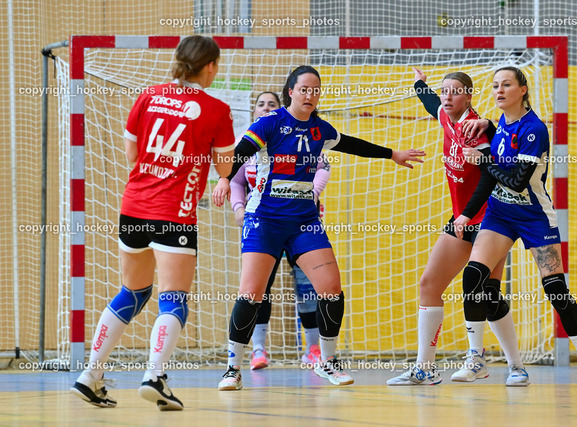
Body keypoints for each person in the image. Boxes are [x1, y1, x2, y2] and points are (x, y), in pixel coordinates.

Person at [212, 65, 425, 389]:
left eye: (315, 90)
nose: (310, 95)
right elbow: (240, 153)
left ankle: (327, 362)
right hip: (265, 220)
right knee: (251, 294)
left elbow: (351, 144)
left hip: (304, 222)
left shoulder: (319, 129)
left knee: (331, 289)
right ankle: (233, 368)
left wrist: (392, 153)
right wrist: (225, 179)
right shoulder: (269, 123)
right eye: (304, 89)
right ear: (291, 92)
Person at [70, 35, 235, 410]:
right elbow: (225, 167)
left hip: (133, 207)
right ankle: (154, 377)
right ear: (210, 66)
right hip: (173, 213)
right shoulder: (216, 109)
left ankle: (90, 376)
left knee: (132, 292)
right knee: (173, 298)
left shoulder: (147, 96)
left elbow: (132, 154)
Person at [459, 66, 577, 387]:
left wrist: (482, 160)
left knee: (556, 290)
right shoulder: (501, 122)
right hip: (499, 215)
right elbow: (503, 145)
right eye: (495, 86)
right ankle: (480, 359)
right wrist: (488, 126)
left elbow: (516, 181)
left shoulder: (535, 130)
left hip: (534, 216)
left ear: (523, 90)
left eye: (506, 85)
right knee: (474, 278)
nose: (499, 90)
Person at [387, 68, 529, 387]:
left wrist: (467, 213)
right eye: (444, 91)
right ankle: (425, 368)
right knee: (429, 284)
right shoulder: (445, 116)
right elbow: (430, 102)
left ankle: (514, 366)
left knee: (486, 295)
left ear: (469, 96)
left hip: (491, 219)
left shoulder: (476, 130)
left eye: (455, 91)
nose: (447, 96)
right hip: (462, 219)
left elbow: (490, 176)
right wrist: (420, 83)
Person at [230, 91, 327, 369]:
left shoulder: (299, 134)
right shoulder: (248, 142)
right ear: (254, 111)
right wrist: (238, 207)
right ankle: (257, 350)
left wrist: (312, 193)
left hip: (301, 220)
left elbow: (323, 167)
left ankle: (313, 350)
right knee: (259, 288)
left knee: (308, 286)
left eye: (271, 104)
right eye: (260, 104)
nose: (265, 108)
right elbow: (235, 180)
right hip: (264, 222)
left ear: (279, 109)